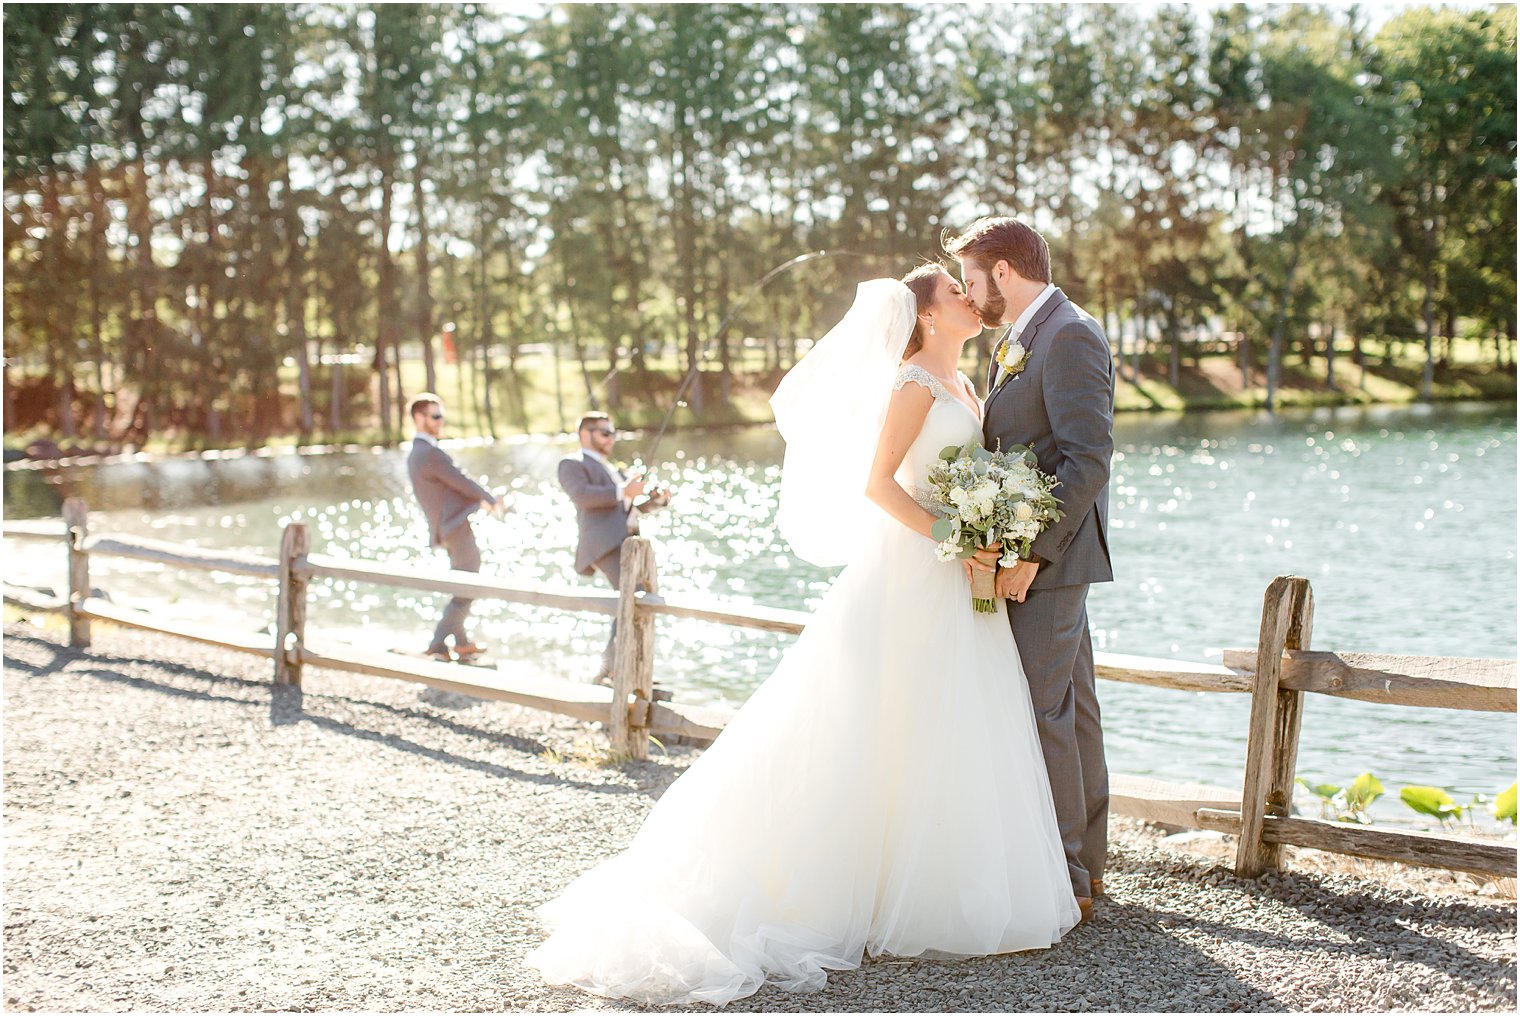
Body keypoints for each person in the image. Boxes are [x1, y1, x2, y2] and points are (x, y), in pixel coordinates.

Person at [527, 269, 1080, 1007]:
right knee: (876, 720)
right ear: (922, 313)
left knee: (945, 721)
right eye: (953, 289)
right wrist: (959, 533)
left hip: (956, 577)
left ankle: (935, 883)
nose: (967, 296)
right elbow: (879, 485)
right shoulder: (914, 382)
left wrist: (991, 529)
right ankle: (853, 888)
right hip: (914, 572)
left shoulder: (970, 384)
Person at [946, 216, 1115, 917]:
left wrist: (1032, 556)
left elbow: (1087, 460)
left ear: (1005, 272)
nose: (968, 292)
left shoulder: (1069, 334)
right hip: (1035, 555)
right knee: (1070, 713)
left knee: (1045, 713)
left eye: (972, 279)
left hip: (1051, 559)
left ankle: (1070, 879)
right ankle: (1087, 868)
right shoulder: (1022, 338)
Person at [557, 413, 670, 683]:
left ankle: (616, 668)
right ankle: (616, 669)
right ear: (586, 434)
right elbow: (582, 496)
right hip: (604, 544)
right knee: (635, 597)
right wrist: (623, 491)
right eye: (605, 433)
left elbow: (629, 508)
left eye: (612, 433)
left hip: (628, 543)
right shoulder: (571, 464)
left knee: (633, 600)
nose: (611, 438)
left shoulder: (613, 469)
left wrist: (657, 501)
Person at [406, 393, 507, 662]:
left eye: (441, 416)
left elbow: (450, 487)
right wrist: (489, 499)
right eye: (435, 416)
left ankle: (461, 642)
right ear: (419, 418)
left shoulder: (419, 453)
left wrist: (482, 500)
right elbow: (460, 480)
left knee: (462, 581)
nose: (441, 421)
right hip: (454, 529)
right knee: (468, 585)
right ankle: (437, 644)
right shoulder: (429, 453)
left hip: (447, 528)